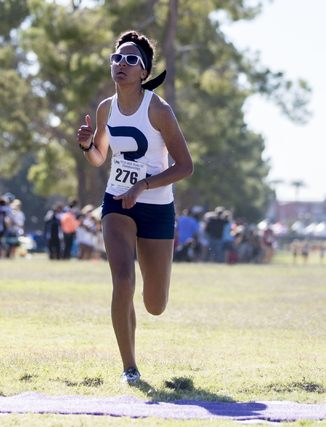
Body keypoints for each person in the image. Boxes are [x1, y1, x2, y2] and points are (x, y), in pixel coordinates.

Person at [77, 30, 193, 383]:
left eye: (130, 60)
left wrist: (143, 185)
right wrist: (86, 147)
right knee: (123, 280)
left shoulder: (157, 109)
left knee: (154, 305)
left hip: (156, 207)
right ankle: (130, 367)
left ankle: (151, 294)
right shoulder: (105, 108)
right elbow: (100, 157)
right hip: (116, 202)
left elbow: (185, 166)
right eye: (116, 58)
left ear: (144, 71)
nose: (121, 64)